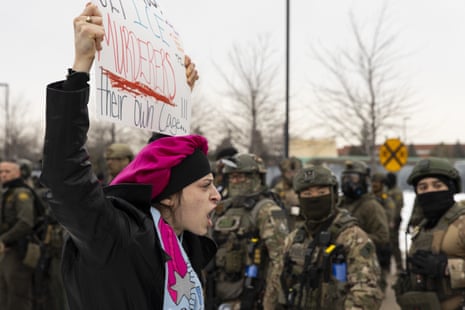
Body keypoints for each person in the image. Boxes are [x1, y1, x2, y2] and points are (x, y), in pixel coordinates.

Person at [40, 3, 215, 310]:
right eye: (205, 185)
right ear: (171, 197)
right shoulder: (117, 239)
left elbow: (160, 164)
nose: (217, 196)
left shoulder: (183, 244)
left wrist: (178, 102)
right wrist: (81, 67)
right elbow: (64, 176)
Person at [264, 164, 383, 309]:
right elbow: (275, 286)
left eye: (321, 192)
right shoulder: (294, 239)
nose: (314, 198)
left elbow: (366, 293)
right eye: (307, 194)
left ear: (332, 194)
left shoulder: (353, 238)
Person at [206, 153, 289, 309]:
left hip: (250, 297)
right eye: (232, 177)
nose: (236, 181)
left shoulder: (267, 210)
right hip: (217, 296)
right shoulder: (221, 210)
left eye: (242, 176)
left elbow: (279, 260)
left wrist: (269, 302)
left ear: (256, 178)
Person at [394, 157, 465, 310]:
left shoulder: (462, 223)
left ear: (451, 188)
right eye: (423, 187)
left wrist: (446, 267)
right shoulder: (423, 227)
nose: (430, 191)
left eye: (437, 185)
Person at [338, 160, 390, 291]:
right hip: (340, 265)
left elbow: (383, 237)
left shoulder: (371, 206)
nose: (348, 182)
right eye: (345, 178)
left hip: (364, 266)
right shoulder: (340, 203)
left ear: (363, 181)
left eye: (353, 178)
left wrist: (356, 241)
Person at [0, 160, 35, 310]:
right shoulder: (7, 192)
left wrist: (3, 239)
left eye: (7, 172)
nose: (3, 175)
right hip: (5, 250)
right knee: (4, 293)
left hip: (19, 250)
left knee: (18, 295)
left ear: (18, 173)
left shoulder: (21, 193)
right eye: (1, 172)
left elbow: (26, 222)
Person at [371, 172, 396, 274]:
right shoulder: (368, 198)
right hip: (371, 236)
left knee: (383, 267)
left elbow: (390, 214)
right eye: (373, 183)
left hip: (382, 237)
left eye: (376, 183)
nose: (374, 185)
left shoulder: (386, 199)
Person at [272, 156, 303, 230]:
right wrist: (290, 210)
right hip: (284, 226)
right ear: (283, 173)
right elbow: (274, 213)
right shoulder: (277, 189)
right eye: (289, 173)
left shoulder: (305, 188)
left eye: (295, 172)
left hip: (302, 226)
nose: (292, 175)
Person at [384, 172, 405, 272]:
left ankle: (399, 266)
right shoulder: (387, 191)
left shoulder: (396, 192)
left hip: (394, 221)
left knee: (394, 244)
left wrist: (393, 221)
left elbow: (398, 206)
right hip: (386, 220)